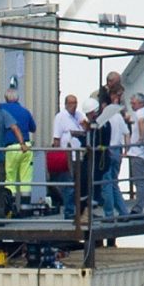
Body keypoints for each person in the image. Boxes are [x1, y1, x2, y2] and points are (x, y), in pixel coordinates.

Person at [0, 80, 37, 216]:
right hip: (26, 147)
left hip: (11, 147)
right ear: (18, 99)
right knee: (26, 178)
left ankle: (12, 208)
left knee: (10, 178)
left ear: (5, 98)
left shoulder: (1, 109)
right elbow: (33, 128)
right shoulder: (25, 111)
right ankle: (26, 209)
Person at [92, 94, 132, 218]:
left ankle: (109, 214)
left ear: (103, 105)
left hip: (106, 152)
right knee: (114, 183)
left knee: (106, 184)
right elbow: (127, 133)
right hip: (118, 151)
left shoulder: (103, 118)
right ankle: (123, 212)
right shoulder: (118, 116)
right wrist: (126, 149)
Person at [48, 92, 86, 220]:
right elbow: (56, 138)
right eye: (71, 103)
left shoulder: (79, 115)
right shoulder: (61, 117)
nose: (73, 106)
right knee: (68, 184)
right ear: (66, 104)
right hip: (67, 155)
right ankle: (69, 211)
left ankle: (79, 209)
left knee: (79, 184)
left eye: (75, 103)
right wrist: (57, 154)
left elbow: (86, 128)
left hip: (79, 155)